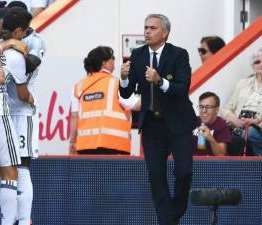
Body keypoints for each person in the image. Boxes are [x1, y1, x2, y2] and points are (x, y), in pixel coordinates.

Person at [119, 14, 197, 225]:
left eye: (152, 28)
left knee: (183, 172)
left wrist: (160, 81)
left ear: (165, 32)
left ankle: (175, 212)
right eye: (145, 27)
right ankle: (167, 221)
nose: (147, 31)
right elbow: (126, 94)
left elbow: (182, 89)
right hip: (152, 124)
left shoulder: (179, 54)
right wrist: (124, 78)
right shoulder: (137, 54)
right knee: (156, 176)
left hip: (178, 124)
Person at [69, 46, 131, 155]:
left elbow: (74, 116)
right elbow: (135, 104)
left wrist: (72, 142)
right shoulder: (117, 84)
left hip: (85, 147)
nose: (114, 60)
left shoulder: (78, 87)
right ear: (104, 63)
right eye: (113, 58)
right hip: (114, 146)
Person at [222, 47, 262, 156]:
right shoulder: (242, 83)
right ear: (253, 65)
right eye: (257, 62)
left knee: (251, 133)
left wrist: (256, 121)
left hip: (257, 126)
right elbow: (226, 109)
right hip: (238, 124)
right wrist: (236, 121)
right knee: (217, 129)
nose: (261, 65)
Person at [192, 92, 231, 156]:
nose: (204, 110)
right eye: (201, 107)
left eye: (208, 107)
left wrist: (210, 138)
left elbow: (221, 154)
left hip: (211, 164)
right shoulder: (193, 121)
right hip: (191, 163)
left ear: (217, 109)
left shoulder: (222, 125)